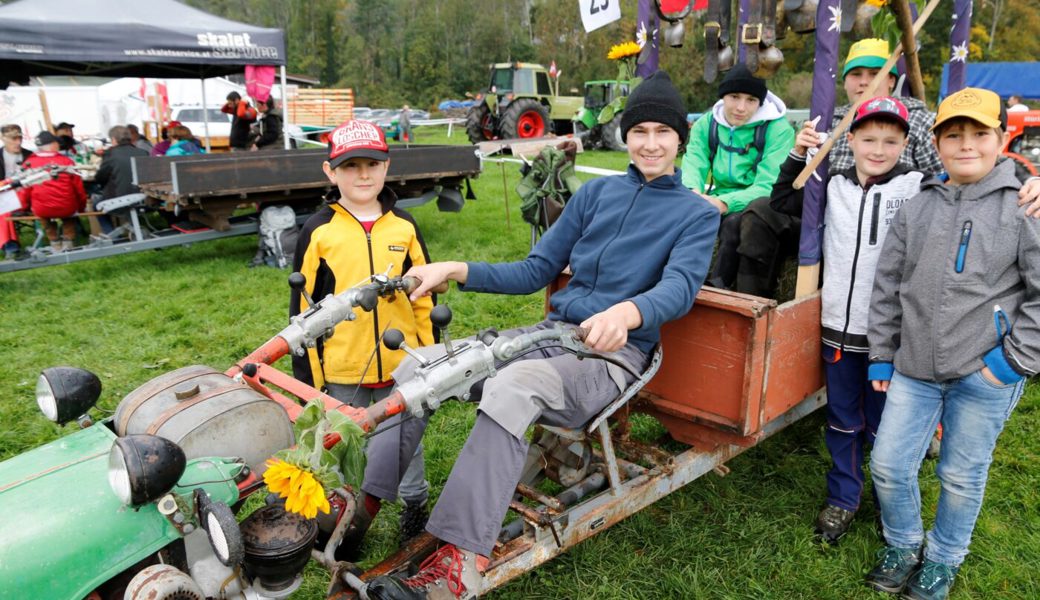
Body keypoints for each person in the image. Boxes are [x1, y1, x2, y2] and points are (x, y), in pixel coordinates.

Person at [351, 71, 720, 600]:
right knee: (419, 366)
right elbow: (535, 268)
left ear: (681, 139)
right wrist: (457, 267)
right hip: (551, 337)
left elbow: (680, 289)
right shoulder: (595, 194)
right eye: (641, 131)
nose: (651, 143)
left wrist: (630, 313)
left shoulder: (694, 214)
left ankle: (459, 561)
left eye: (664, 132)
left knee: (512, 385)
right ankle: (361, 508)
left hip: (611, 359)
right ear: (626, 135)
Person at [865, 88, 1040, 600]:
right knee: (889, 465)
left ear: (1001, 138)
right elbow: (888, 284)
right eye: (954, 135)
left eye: (979, 134)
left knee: (961, 475)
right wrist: (882, 353)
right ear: (938, 143)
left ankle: (943, 559)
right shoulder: (918, 207)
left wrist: (1011, 362)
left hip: (984, 373)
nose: (966, 145)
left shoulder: (1024, 206)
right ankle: (903, 544)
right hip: (913, 368)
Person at [770, 96, 925, 544]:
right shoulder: (831, 186)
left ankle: (889, 497)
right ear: (851, 140)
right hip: (838, 328)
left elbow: (966, 193)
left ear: (904, 143)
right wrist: (799, 154)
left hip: (890, 338)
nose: (878, 149)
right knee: (842, 419)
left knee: (888, 425)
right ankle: (843, 497)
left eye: (890, 141)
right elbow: (784, 199)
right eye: (869, 138)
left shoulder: (918, 188)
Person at [290, 118, 435, 544]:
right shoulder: (318, 230)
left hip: (401, 366)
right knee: (343, 448)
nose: (363, 174)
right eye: (351, 166)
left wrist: (427, 357)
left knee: (407, 443)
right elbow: (302, 310)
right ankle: (343, 519)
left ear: (386, 167)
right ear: (330, 172)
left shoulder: (404, 227)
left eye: (372, 163)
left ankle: (414, 508)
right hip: (340, 370)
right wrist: (311, 379)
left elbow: (424, 296)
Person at [734, 38, 942, 298]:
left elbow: (940, 180)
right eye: (856, 74)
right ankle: (753, 304)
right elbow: (793, 191)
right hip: (829, 214)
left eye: (874, 74)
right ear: (845, 82)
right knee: (760, 211)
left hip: (885, 223)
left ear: (891, 80)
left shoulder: (919, 120)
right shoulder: (829, 119)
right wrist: (800, 152)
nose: (864, 82)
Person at [680, 63, 795, 290]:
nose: (741, 107)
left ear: (760, 102)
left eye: (751, 100)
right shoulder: (706, 124)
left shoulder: (778, 130)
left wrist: (724, 203)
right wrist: (692, 193)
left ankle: (718, 285)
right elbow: (694, 161)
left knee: (734, 223)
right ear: (723, 97)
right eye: (734, 97)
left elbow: (769, 184)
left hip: (760, 205)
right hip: (717, 196)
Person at [18, 131, 87, 252]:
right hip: (67, 207)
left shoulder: (28, 163)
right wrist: (81, 206)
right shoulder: (67, 161)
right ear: (53, 145)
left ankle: (54, 241)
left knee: (42, 214)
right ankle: (68, 242)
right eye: (57, 142)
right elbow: (79, 188)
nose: (59, 145)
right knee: (69, 214)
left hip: (42, 208)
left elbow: (24, 190)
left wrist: (25, 207)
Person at [94, 125, 149, 234]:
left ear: (114, 139)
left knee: (96, 200)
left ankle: (110, 233)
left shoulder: (110, 154)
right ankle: (133, 226)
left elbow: (100, 177)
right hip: (144, 198)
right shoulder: (143, 153)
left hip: (120, 198)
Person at [1, 124, 33, 259]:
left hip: (27, 194)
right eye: (13, 139)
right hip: (4, 194)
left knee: (2, 210)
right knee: (3, 207)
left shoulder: (29, 155)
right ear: (3, 139)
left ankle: (10, 246)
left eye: (20, 138)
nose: (18, 142)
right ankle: (9, 244)